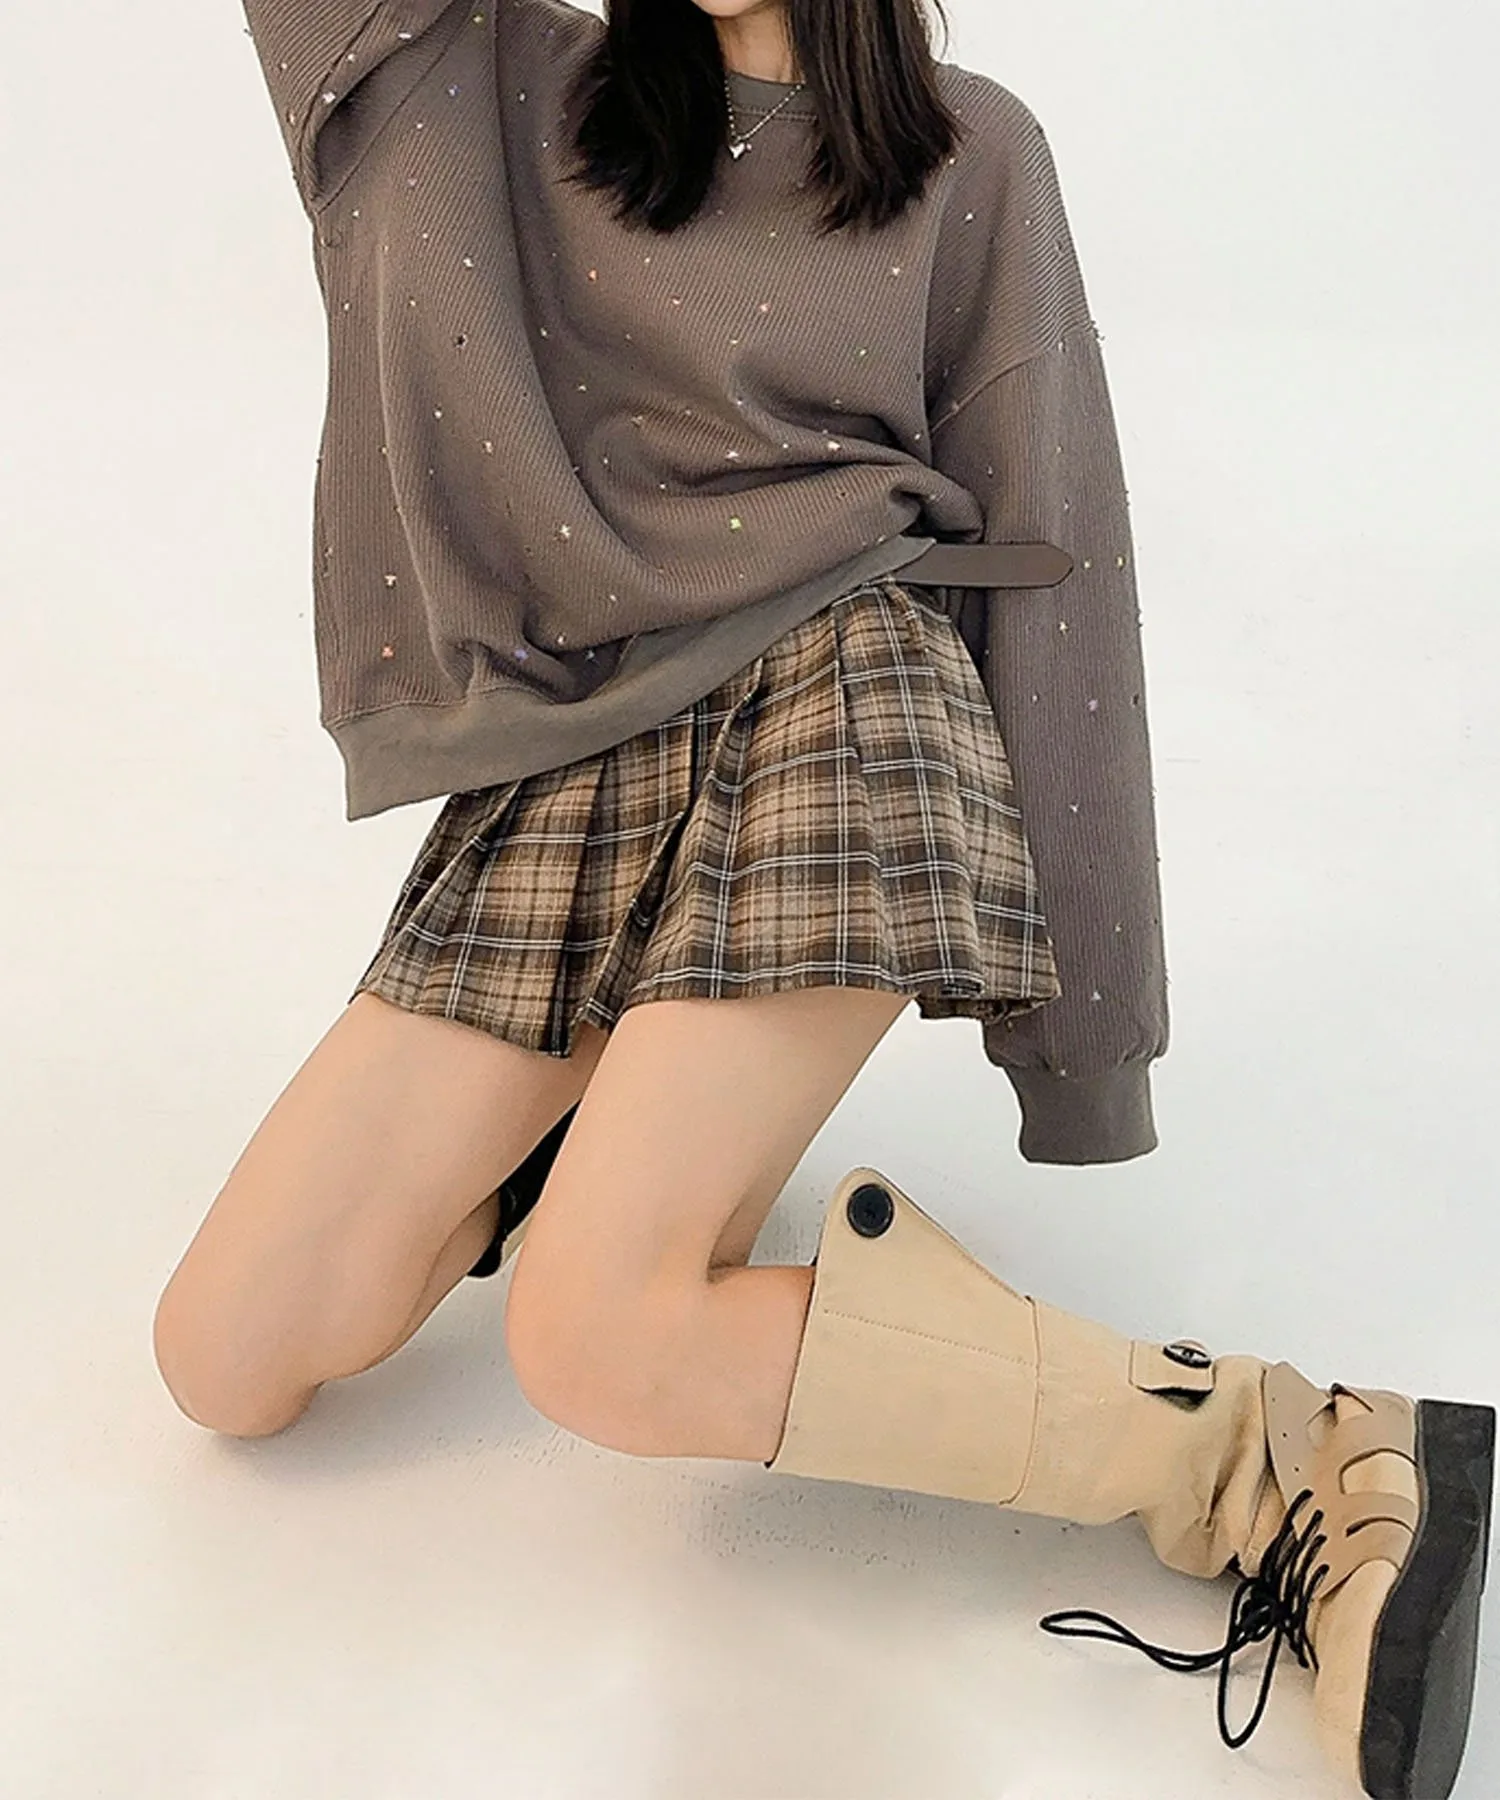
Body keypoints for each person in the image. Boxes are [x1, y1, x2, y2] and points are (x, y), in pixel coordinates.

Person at [152, 3, 1492, 1794]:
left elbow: (1062, 570)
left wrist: (1083, 1046)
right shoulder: (493, 79)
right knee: (226, 1360)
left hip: (847, 703)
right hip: (578, 759)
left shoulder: (970, 150)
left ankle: (1276, 1460)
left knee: (598, 1336)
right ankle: (596, 1133)